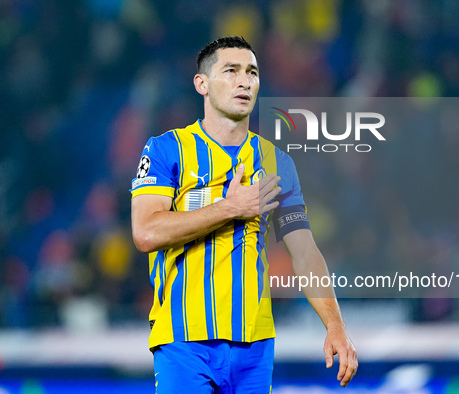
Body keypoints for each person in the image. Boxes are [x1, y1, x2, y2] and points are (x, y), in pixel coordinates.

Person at [130, 36, 357, 393]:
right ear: (201, 84)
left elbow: (305, 252)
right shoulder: (165, 149)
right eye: (231, 71)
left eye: (251, 72)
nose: (244, 81)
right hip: (184, 341)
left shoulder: (276, 163)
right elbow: (146, 232)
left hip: (255, 344)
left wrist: (335, 325)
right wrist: (231, 208)